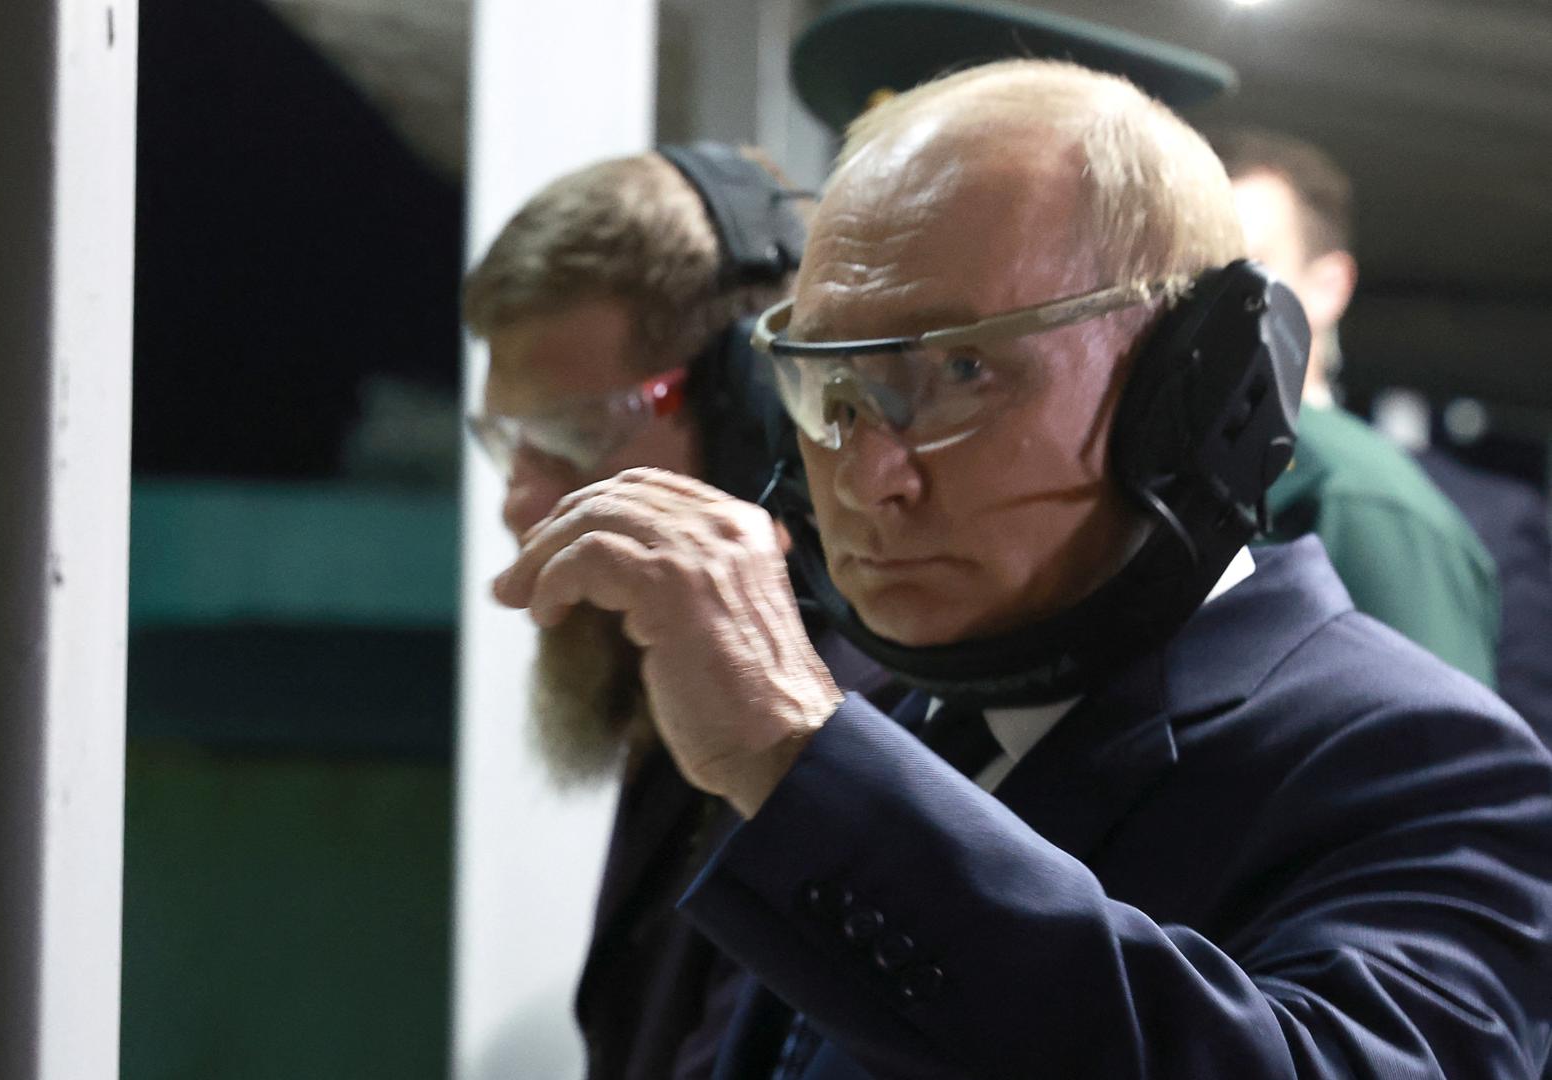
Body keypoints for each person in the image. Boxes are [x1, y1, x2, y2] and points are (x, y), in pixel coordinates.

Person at [494, 60, 1552, 1078]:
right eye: (830, 388)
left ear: (1194, 386)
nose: (867, 476)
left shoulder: (1430, 765)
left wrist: (794, 754)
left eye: (960, 369)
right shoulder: (905, 728)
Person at [462, 144, 893, 1079]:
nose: (518, 502)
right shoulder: (674, 683)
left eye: (572, 434)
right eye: (506, 440)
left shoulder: (861, 735)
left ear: (753, 407)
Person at [1215, 126, 1552, 743]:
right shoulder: (1169, 466)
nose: (1206, 299)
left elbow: (1443, 770)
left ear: (1328, 286)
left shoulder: (1359, 496)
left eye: (1246, 267)